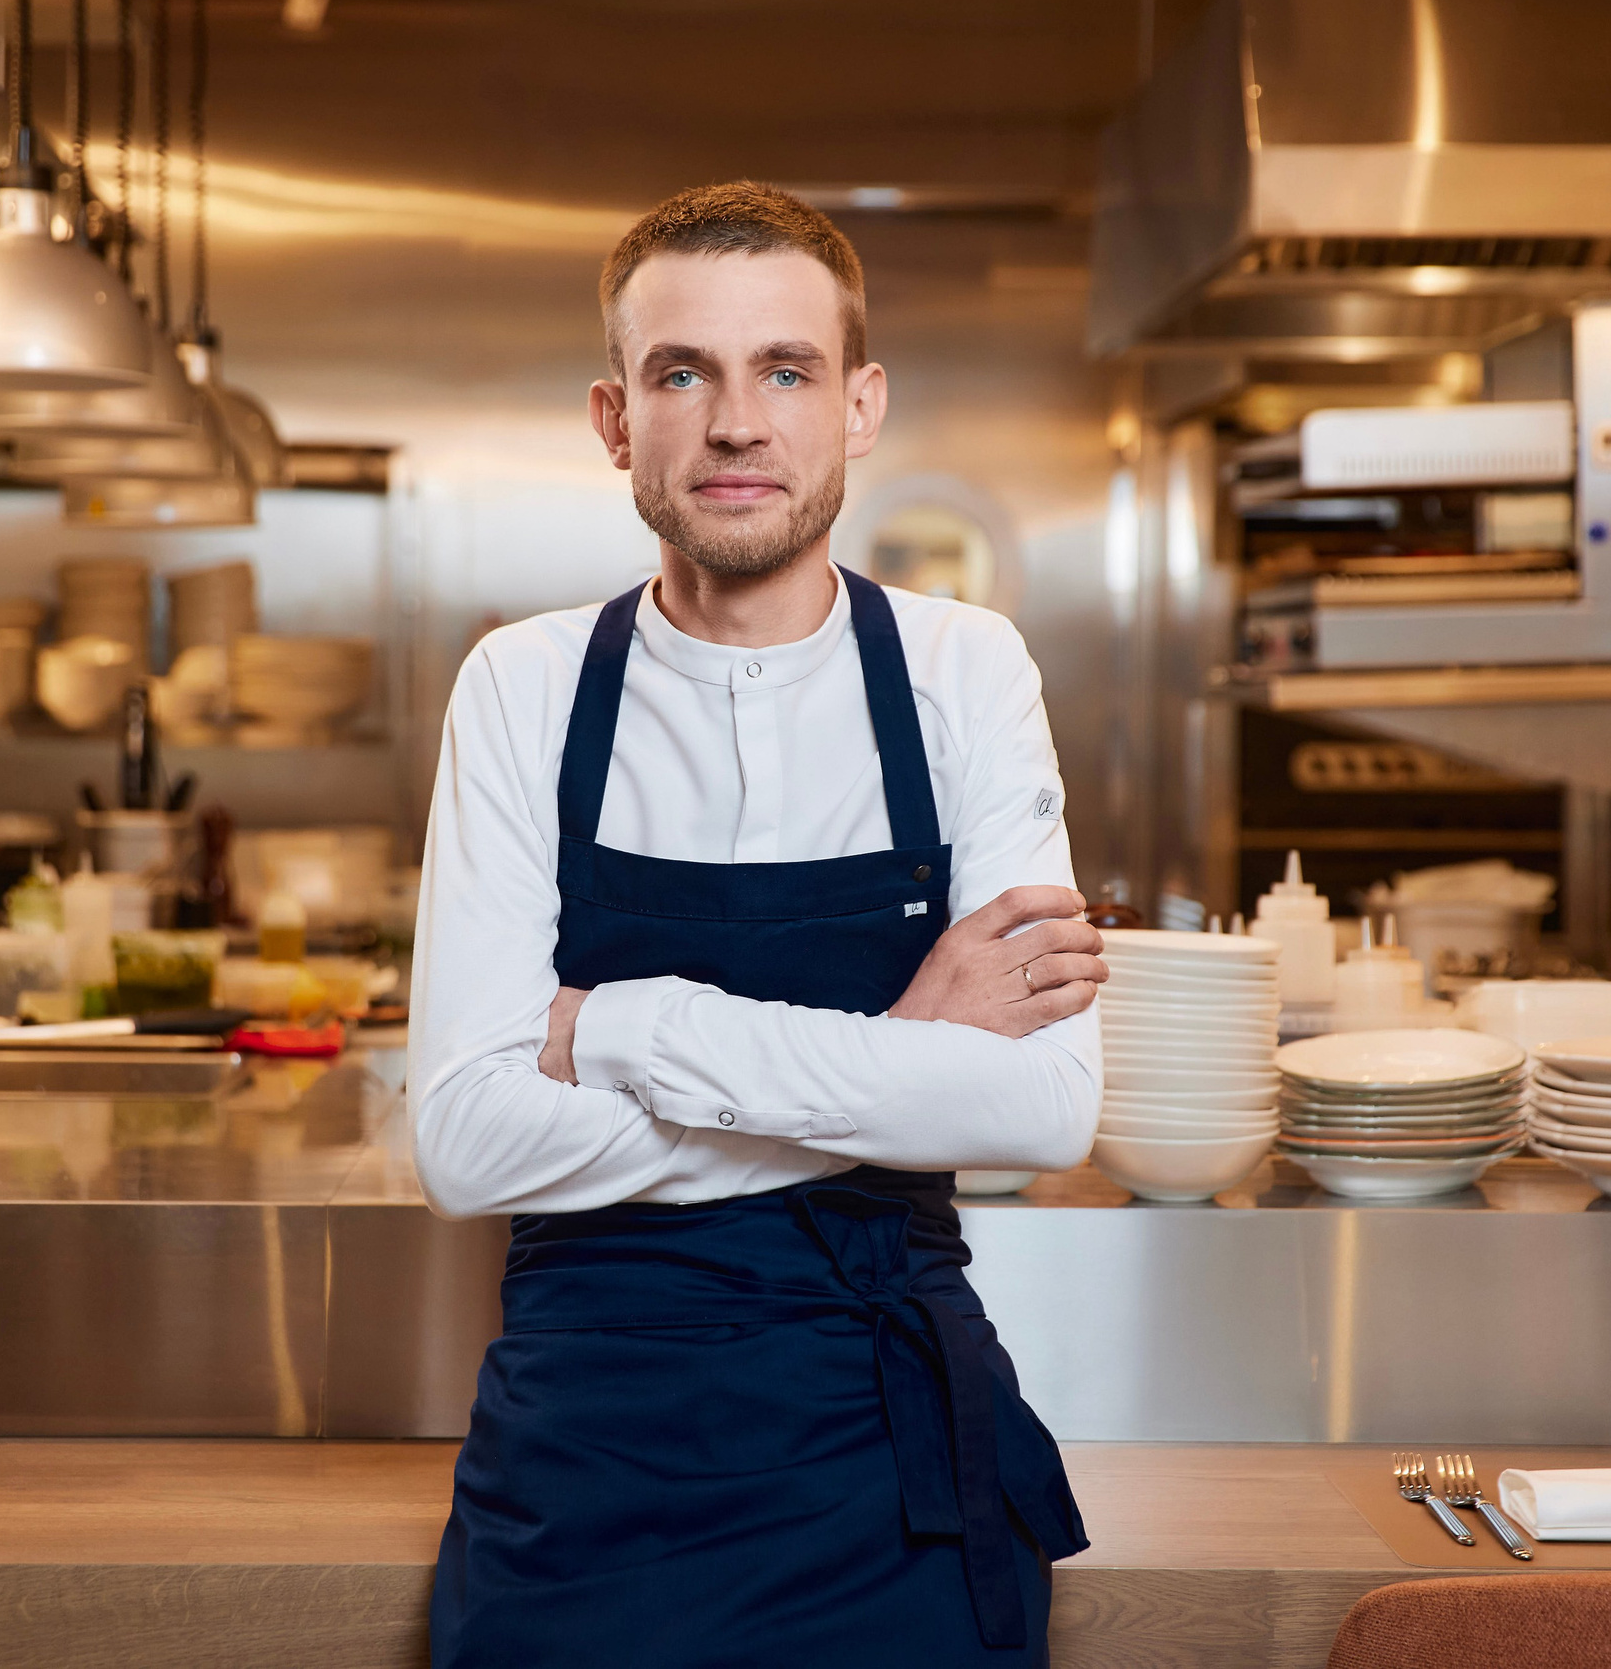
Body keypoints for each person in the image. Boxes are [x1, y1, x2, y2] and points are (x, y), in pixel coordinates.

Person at [412, 180, 1106, 1668]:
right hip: (586, 1447)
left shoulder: (965, 670)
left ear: (858, 406)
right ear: (616, 418)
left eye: (784, 370)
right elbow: (468, 1140)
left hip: (888, 1442)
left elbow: (1043, 1103)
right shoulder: (522, 688)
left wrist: (625, 1026)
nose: (737, 423)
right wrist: (907, 1053)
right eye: (684, 374)